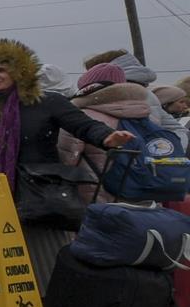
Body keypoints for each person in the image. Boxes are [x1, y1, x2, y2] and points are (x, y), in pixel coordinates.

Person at [0, 38, 131, 290]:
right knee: (1, 265)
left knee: (46, 264)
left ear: (19, 70)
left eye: (1, 69)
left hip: (39, 195)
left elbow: (83, 124)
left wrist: (107, 137)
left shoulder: (46, 102)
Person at [60, 63, 156, 205]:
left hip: (99, 203)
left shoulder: (81, 117)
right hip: (146, 199)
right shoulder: (149, 117)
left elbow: (65, 161)